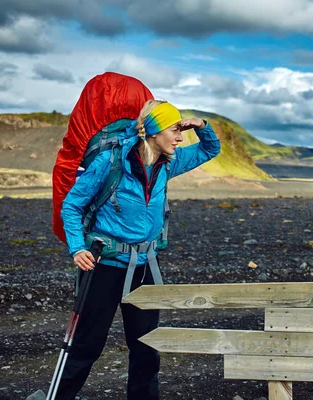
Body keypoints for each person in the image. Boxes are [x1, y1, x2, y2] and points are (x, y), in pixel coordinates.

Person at [57, 99, 221, 399]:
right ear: (155, 131)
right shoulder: (110, 162)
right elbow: (72, 205)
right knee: (86, 345)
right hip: (103, 266)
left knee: (147, 348)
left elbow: (211, 149)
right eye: (174, 129)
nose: (180, 137)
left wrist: (202, 125)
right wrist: (77, 248)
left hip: (145, 267)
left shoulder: (169, 162)